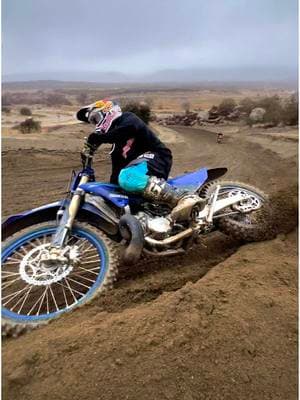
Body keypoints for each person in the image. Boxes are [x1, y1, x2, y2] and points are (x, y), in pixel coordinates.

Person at [77, 99, 201, 221]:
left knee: (127, 176)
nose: (96, 124)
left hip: (158, 156)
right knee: (120, 187)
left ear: (108, 112)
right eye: (93, 122)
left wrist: (98, 138)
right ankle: (151, 217)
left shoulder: (128, 119)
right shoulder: (115, 148)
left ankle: (182, 197)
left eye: (96, 119)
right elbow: (115, 175)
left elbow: (128, 129)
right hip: (142, 169)